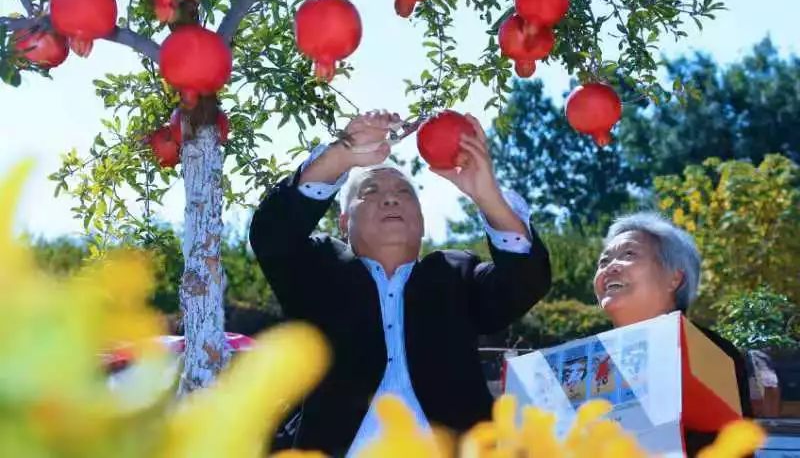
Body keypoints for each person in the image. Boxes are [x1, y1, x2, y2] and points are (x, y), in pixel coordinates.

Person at [249, 110, 551, 456]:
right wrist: (343, 155)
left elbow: (526, 280)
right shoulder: (318, 271)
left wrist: (487, 195)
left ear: (422, 221)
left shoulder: (455, 275)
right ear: (344, 221)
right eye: (371, 191)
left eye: (404, 192)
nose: (390, 198)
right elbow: (272, 234)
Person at [593, 212, 753, 456]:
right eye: (604, 262)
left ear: (674, 278)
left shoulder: (710, 352)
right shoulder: (589, 356)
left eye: (628, 254)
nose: (610, 267)